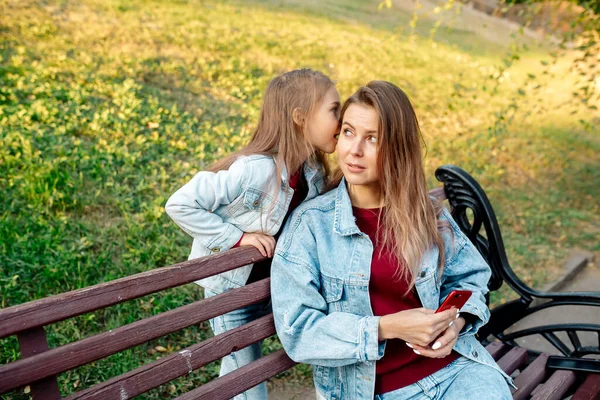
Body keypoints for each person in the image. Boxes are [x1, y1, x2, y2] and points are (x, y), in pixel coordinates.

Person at [271, 81, 513, 400]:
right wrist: (388, 327)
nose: (354, 150)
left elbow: (468, 277)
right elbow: (298, 331)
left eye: (372, 138)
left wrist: (457, 321)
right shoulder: (311, 225)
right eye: (348, 132)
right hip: (372, 390)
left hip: (457, 372)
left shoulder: (424, 212)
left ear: (397, 147)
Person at [165, 68, 340, 400]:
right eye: (334, 109)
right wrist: (236, 237)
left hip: (271, 294)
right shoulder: (255, 170)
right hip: (232, 297)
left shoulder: (312, 174)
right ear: (300, 117)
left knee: (238, 378)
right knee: (246, 385)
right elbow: (181, 203)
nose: (341, 117)